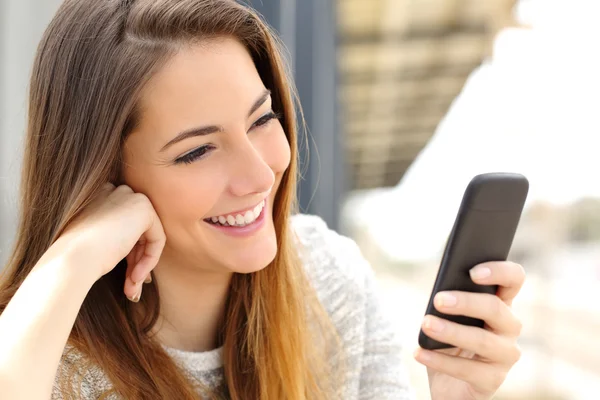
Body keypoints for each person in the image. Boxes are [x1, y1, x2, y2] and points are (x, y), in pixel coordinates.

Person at [0, 0, 525, 399]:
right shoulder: (48, 357)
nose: (258, 173)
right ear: (100, 178)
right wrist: (69, 261)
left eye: (262, 119)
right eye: (198, 150)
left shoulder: (326, 277)